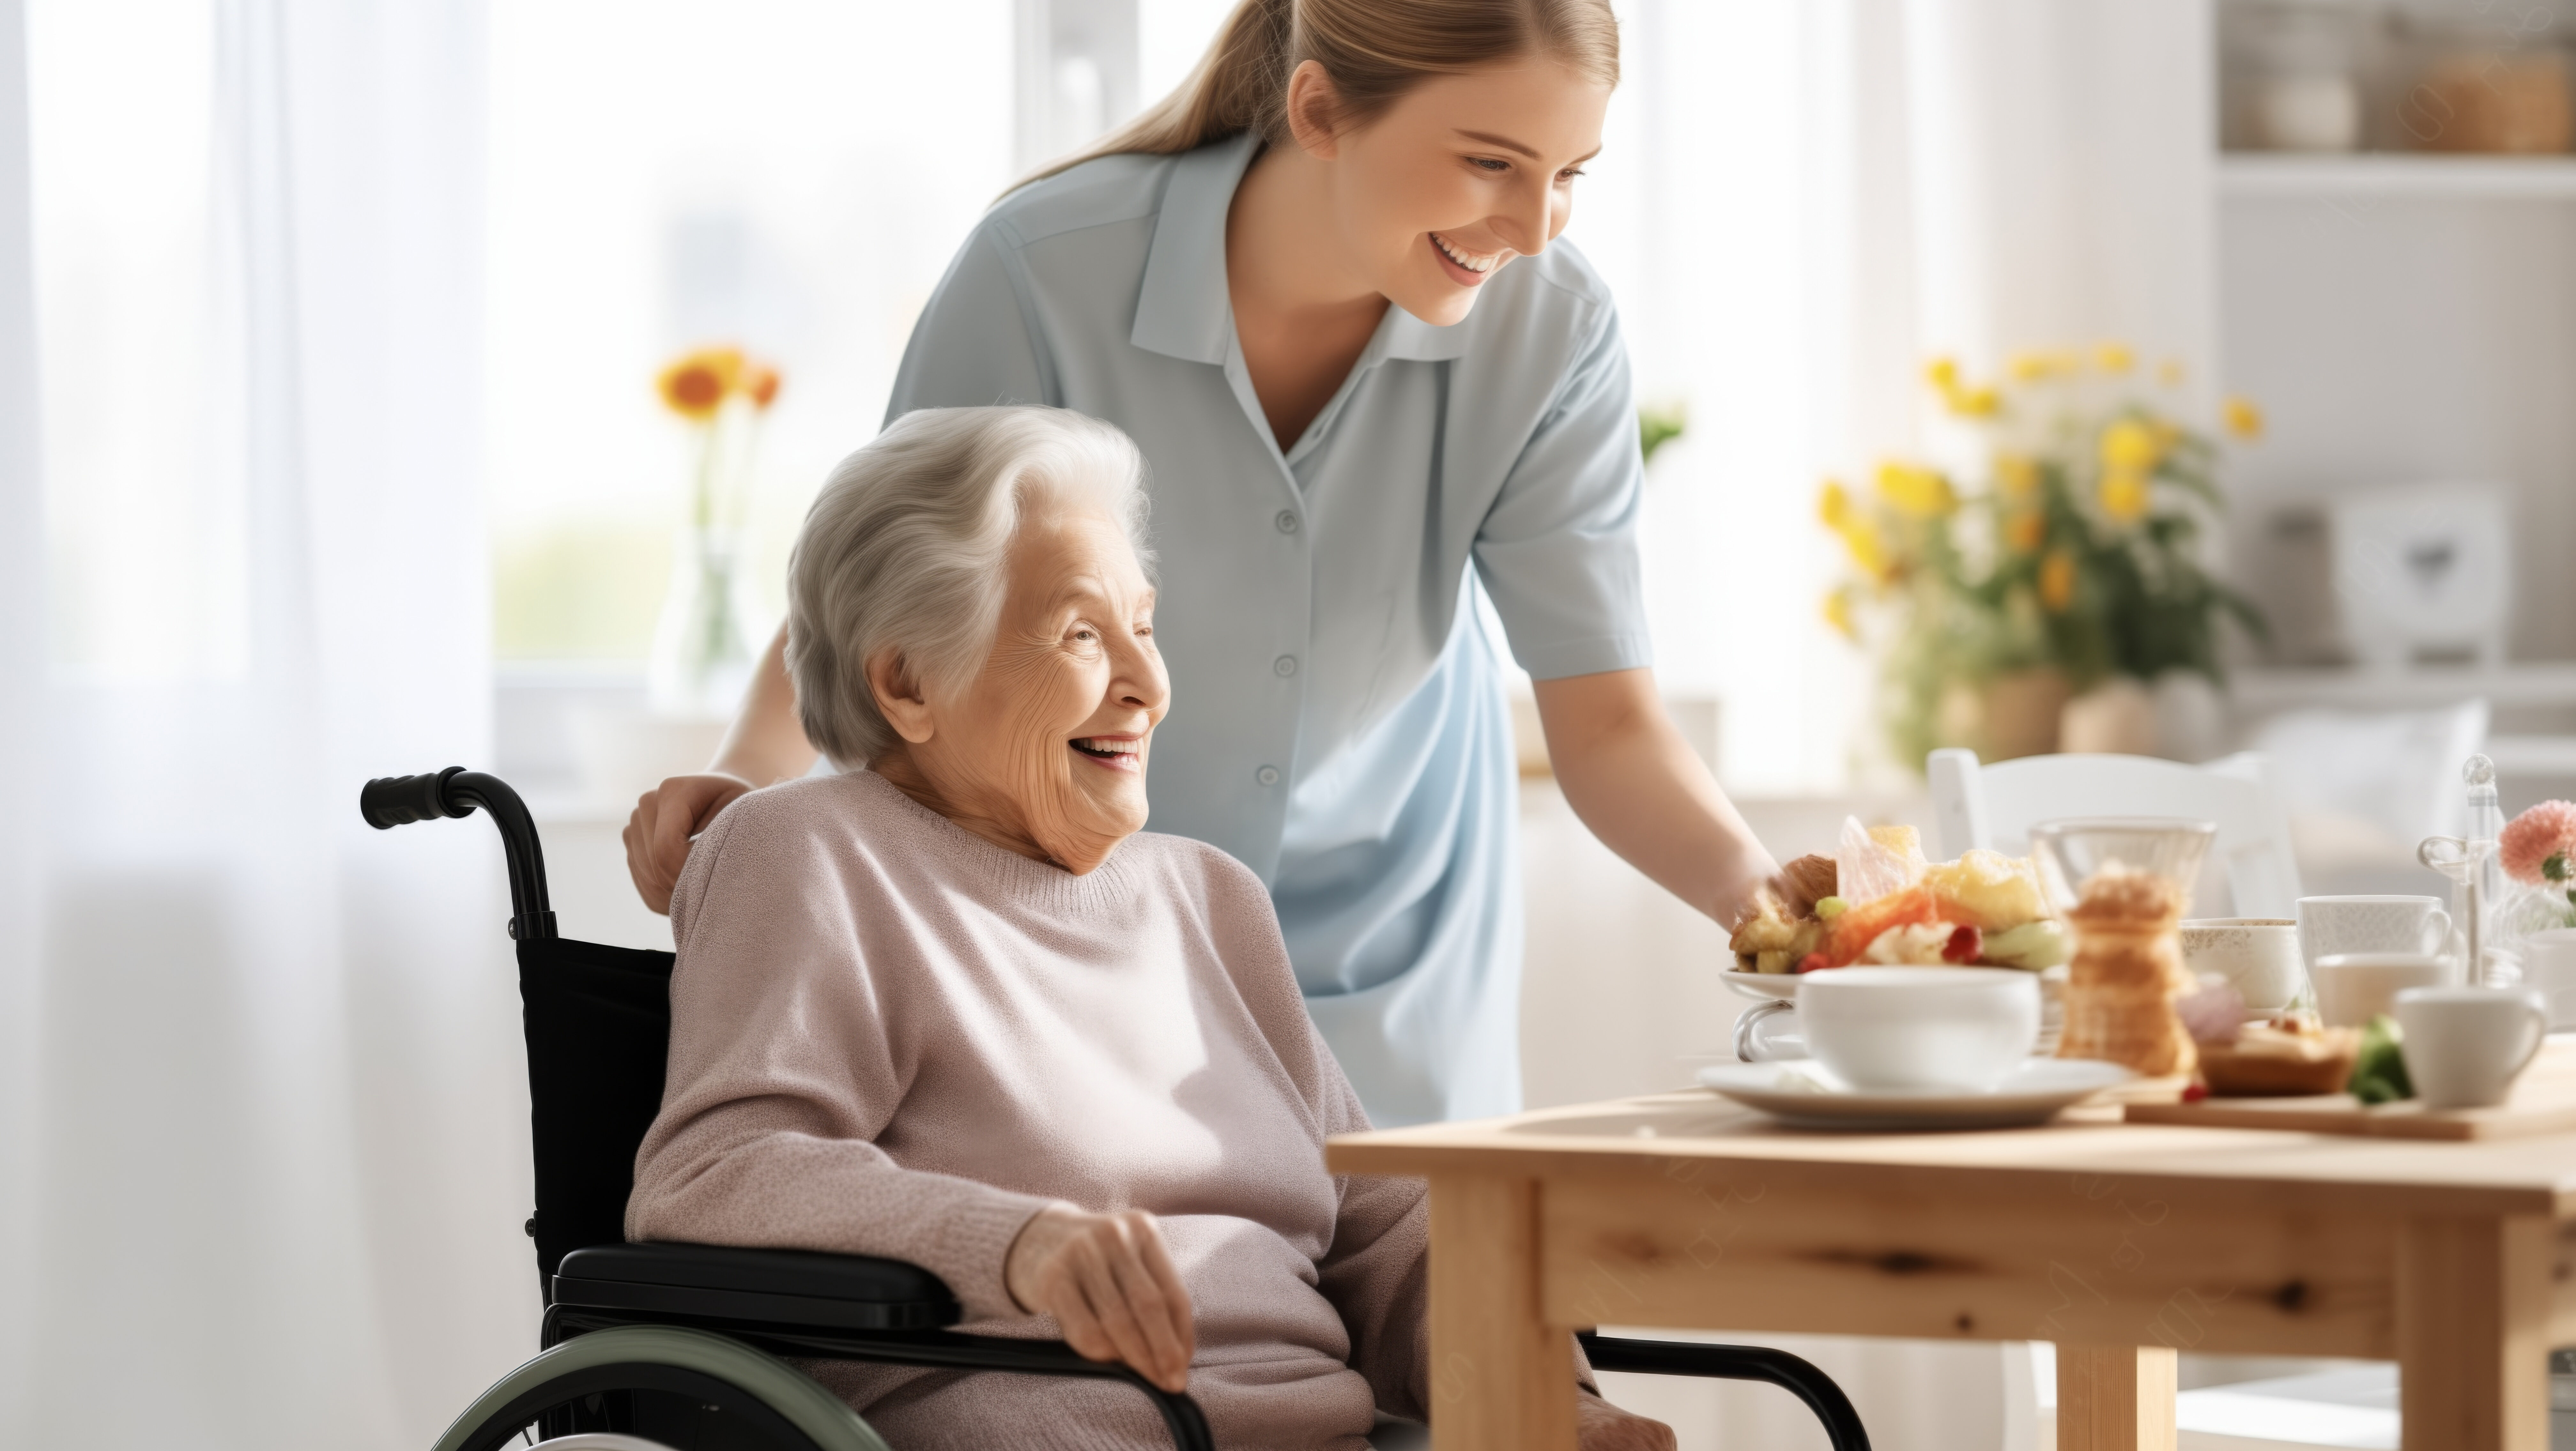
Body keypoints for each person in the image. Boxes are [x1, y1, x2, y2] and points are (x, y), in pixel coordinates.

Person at [628, 0, 1798, 1128]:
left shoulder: (1555, 328)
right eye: (1492, 163)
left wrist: (1781, 917)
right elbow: (880, 592)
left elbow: (1607, 724)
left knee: (1422, 1313)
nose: (1539, 227)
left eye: (1571, 173)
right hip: (1077, 947)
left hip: (1400, 970)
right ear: (1322, 110)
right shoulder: (1048, 273)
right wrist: (749, 776)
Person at [627, 406, 1672, 1450]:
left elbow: (1391, 1234)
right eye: (1084, 633)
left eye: (1146, 626)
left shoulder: (1211, 903)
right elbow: (720, 1173)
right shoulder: (811, 852)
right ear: (907, 682)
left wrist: (1552, 1406)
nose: (1149, 686)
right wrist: (1015, 1245)